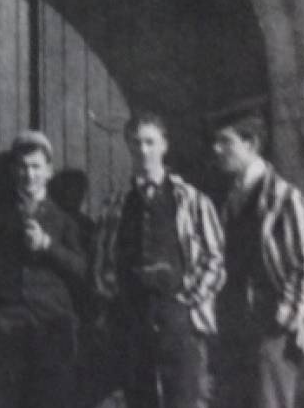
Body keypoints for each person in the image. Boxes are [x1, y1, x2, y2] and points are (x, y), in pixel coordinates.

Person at [93, 112, 225, 408]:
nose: (143, 151)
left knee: (184, 398)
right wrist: (114, 297)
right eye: (136, 143)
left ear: (165, 146)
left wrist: (189, 301)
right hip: (133, 318)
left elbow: (214, 258)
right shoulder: (116, 203)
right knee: (139, 398)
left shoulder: (190, 201)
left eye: (150, 142)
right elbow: (103, 257)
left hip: (177, 319)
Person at [209, 105, 304, 408]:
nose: (217, 149)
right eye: (216, 142)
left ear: (251, 144)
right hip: (236, 327)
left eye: (226, 142)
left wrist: (282, 320)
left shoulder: (286, 199)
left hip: (272, 333)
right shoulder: (231, 199)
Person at [0, 130, 86, 408]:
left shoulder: (67, 220)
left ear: (48, 171)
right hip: (6, 323)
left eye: (35, 167)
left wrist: (48, 245)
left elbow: (83, 270)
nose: (29, 174)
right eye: (22, 167)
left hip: (52, 324)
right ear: (13, 171)